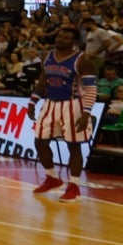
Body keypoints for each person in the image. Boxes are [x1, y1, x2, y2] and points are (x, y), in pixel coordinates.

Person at [30, 24, 98, 203]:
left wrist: (86, 113)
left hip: (73, 105)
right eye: (59, 36)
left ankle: (74, 186)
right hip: (50, 104)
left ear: (74, 42)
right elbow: (43, 81)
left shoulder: (82, 60)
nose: (61, 39)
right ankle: (52, 177)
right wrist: (33, 100)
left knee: (73, 146)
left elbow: (91, 89)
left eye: (66, 37)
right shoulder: (47, 56)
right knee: (40, 141)